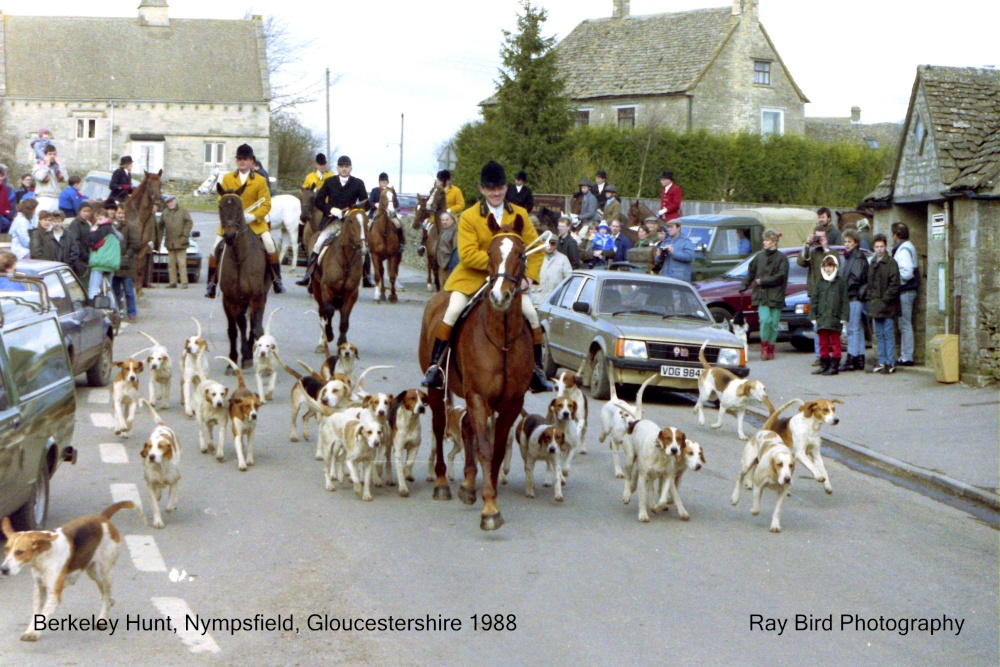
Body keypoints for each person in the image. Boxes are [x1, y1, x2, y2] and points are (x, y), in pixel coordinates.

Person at [421, 160, 553, 393]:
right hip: (472, 279)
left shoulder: (520, 214)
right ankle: (435, 367)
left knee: (532, 315)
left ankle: (537, 371)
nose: (495, 193)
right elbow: (468, 255)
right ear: (482, 189)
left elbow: (536, 249)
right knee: (451, 311)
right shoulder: (470, 217)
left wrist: (528, 277)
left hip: (511, 283)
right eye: (490, 189)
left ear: (505, 188)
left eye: (500, 188)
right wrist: (501, 266)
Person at [205, 143, 285, 296]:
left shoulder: (260, 180)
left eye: (245, 159)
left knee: (269, 244)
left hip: (255, 222)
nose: (242, 161)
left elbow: (266, 203)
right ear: (237, 161)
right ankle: (211, 284)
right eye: (239, 159)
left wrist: (253, 216)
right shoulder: (227, 178)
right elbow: (221, 201)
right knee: (214, 248)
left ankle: (277, 279)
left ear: (251, 161)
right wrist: (231, 216)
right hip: (230, 223)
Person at [297, 155, 368, 287]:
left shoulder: (358, 183)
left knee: (363, 246)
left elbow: (365, 203)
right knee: (318, 243)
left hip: (350, 222)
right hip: (332, 221)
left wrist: (352, 211)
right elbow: (318, 200)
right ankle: (308, 274)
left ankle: (367, 276)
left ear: (351, 168)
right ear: (337, 168)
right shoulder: (330, 182)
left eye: (346, 167)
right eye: (341, 167)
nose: (344, 169)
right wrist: (330, 209)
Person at [740, 229, 788, 360]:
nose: (764, 242)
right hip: (761, 294)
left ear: (773, 242)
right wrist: (744, 286)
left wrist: (764, 281)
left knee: (773, 324)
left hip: (776, 295)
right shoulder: (759, 257)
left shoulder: (782, 258)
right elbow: (750, 273)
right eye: (764, 240)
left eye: (766, 240)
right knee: (765, 320)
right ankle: (764, 347)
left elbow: (781, 276)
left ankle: (771, 347)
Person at [798, 224, 833, 366]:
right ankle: (820, 355)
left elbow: (833, 262)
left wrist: (825, 248)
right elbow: (801, 262)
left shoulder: (830, 252)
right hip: (815, 294)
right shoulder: (812, 253)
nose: (819, 240)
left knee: (830, 326)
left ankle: (831, 355)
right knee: (817, 326)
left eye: (821, 237)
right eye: (817, 237)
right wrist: (807, 245)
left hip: (829, 293)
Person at [810, 254, 850, 376]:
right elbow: (815, 299)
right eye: (826, 266)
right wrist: (813, 315)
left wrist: (844, 317)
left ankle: (834, 365)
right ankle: (824, 364)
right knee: (822, 342)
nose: (828, 269)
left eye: (830, 266)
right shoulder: (820, 282)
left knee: (835, 342)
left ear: (835, 267)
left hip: (835, 317)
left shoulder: (840, 282)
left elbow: (844, 300)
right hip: (822, 318)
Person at [867, 234, 901, 374]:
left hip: (887, 305)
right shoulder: (873, 263)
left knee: (888, 333)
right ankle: (881, 360)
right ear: (874, 248)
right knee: (879, 334)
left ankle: (890, 361)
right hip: (876, 303)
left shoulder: (891, 263)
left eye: (881, 246)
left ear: (886, 247)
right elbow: (870, 284)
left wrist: (884, 299)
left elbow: (894, 284)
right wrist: (871, 298)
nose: (879, 249)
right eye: (877, 247)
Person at [837, 229, 869, 372]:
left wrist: (843, 291)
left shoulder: (857, 258)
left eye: (849, 241)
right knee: (857, 328)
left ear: (855, 242)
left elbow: (855, 279)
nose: (847, 244)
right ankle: (859, 357)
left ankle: (852, 357)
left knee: (852, 328)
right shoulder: (851, 257)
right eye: (845, 242)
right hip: (853, 295)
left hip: (854, 296)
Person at [892, 222, 919, 368]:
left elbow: (907, 272)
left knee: (905, 324)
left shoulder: (903, 250)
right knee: (905, 324)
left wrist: (897, 283)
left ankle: (907, 356)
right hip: (908, 291)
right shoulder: (908, 247)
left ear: (895, 235)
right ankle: (905, 355)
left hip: (905, 291)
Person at [158, 194, 194, 289]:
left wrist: (185, 235)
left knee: (182, 263)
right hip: (170, 242)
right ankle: (172, 282)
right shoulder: (165, 212)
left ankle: (184, 282)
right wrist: (158, 236)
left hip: (181, 241)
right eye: (168, 202)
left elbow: (189, 222)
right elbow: (160, 225)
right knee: (171, 263)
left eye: (171, 201)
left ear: (175, 201)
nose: (170, 203)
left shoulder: (183, 211)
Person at [112, 206, 141, 323]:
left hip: (127, 265)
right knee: (116, 291)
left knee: (129, 291)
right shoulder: (111, 227)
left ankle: (132, 313)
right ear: (115, 214)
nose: (121, 215)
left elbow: (135, 244)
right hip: (114, 263)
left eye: (123, 213)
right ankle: (118, 312)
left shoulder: (130, 226)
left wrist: (127, 255)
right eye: (119, 213)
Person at [86, 208, 122, 300]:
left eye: (100, 218)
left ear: (106, 217)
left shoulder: (102, 229)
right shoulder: (114, 231)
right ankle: (114, 309)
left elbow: (91, 242)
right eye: (97, 218)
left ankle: (93, 307)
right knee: (109, 289)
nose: (98, 221)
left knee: (93, 288)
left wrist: (93, 229)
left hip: (100, 263)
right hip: (112, 264)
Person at [534, 236, 572, 306]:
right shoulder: (535, 258)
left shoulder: (563, 259)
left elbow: (569, 279)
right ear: (542, 243)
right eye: (547, 243)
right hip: (536, 300)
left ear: (556, 245)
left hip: (555, 301)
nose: (550, 246)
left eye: (553, 244)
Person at [32, 145, 65, 213]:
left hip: (55, 197)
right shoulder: (38, 166)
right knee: (42, 219)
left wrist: (61, 165)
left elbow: (65, 179)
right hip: (43, 198)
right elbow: (40, 177)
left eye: (54, 154)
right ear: (44, 155)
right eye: (49, 154)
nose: (52, 156)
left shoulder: (55, 168)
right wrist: (46, 165)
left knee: (53, 221)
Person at [65, 202, 93, 283]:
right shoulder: (75, 224)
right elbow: (75, 242)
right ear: (79, 212)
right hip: (78, 259)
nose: (86, 214)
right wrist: (84, 254)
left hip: (86, 258)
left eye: (88, 212)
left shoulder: (87, 224)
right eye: (84, 211)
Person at [435, 210, 459, 288]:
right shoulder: (443, 231)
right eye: (443, 220)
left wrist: (451, 264)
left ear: (452, 219)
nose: (445, 222)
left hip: (449, 264)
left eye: (447, 220)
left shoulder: (455, 230)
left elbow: (455, 249)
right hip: (441, 263)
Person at [0, 165, 15, 234]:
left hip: (4, 220)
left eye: (1, 176)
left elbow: (12, 207)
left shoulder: (8, 191)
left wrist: (8, 217)